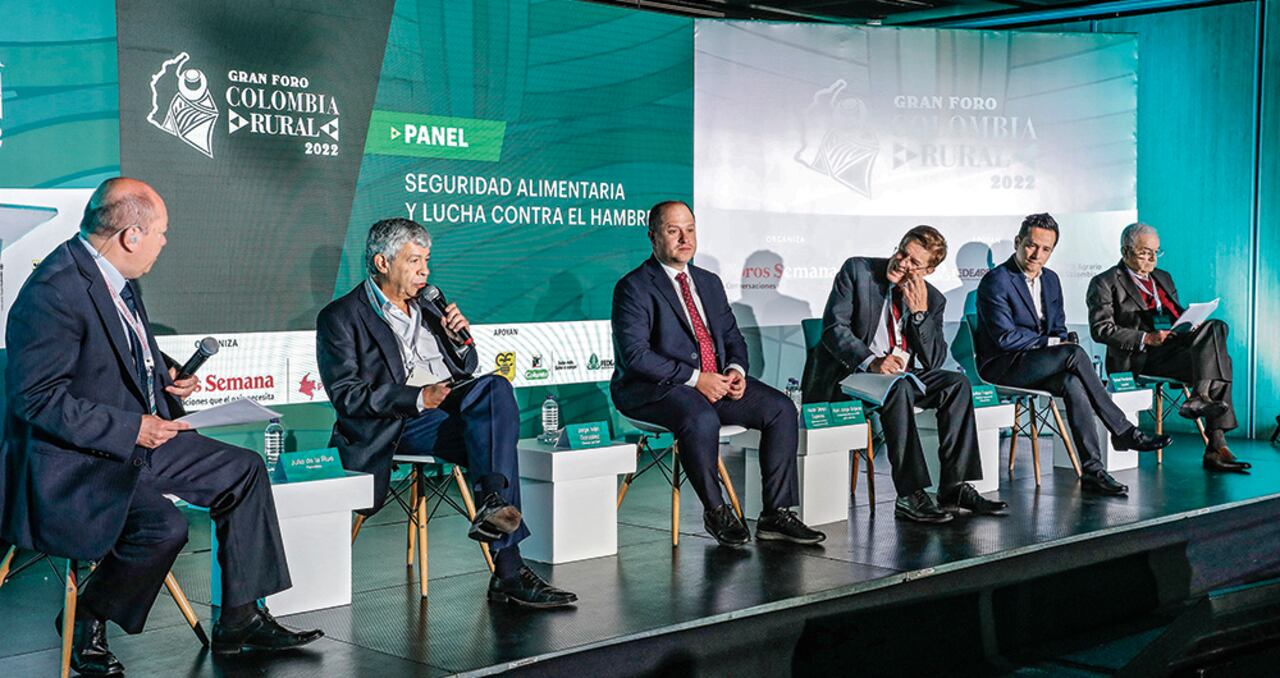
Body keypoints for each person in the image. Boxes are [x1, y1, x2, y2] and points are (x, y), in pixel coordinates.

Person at [0, 178, 322, 676]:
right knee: (163, 527)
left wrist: (163, 369)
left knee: (244, 469)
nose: (165, 243)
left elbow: (120, 346)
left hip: (138, 442)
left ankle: (241, 619)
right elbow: (36, 400)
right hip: (81, 460)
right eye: (161, 233)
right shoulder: (54, 292)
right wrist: (132, 427)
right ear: (131, 234)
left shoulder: (115, 275)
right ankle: (87, 616)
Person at [316, 218, 575, 608]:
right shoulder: (341, 317)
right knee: (492, 436)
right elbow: (348, 396)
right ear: (383, 263)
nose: (425, 271)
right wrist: (419, 398)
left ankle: (493, 504)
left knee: (496, 388)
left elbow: (466, 367)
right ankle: (509, 569)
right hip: (398, 423)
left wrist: (458, 339)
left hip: (450, 404)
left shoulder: (430, 302)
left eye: (427, 260)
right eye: (415, 260)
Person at [610, 200, 824, 547]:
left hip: (714, 381)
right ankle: (716, 510)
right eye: (673, 230)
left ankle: (776, 513)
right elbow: (636, 357)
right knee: (700, 416)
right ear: (652, 237)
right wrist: (697, 379)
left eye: (690, 229)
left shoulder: (708, 283)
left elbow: (731, 337)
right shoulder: (634, 287)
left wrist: (735, 370)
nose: (685, 239)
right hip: (654, 389)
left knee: (780, 409)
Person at [802, 226, 1006, 523]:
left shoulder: (932, 299)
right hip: (851, 374)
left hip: (902, 376)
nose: (901, 263)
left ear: (929, 270)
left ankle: (954, 487)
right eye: (901, 252)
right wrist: (871, 361)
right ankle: (910, 494)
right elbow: (835, 330)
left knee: (957, 384)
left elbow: (934, 360)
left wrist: (920, 313)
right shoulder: (858, 271)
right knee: (895, 388)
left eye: (914, 262)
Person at [974, 213, 1171, 496]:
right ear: (1018, 242)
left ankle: (1093, 470)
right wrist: (1053, 343)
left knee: (1072, 382)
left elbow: (1058, 327)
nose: (1037, 254)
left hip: (1038, 361)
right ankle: (1123, 430)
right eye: (1031, 245)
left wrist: (1058, 340)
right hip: (1003, 365)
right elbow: (1005, 338)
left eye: (1046, 249)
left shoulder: (1051, 280)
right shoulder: (997, 280)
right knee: (1074, 354)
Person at [1086, 222, 1247, 473]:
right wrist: (1146, 338)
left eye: (1156, 252)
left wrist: (1191, 322)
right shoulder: (1105, 282)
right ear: (1125, 251)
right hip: (1142, 356)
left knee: (1216, 327)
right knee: (1222, 361)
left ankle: (1199, 396)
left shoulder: (1163, 278)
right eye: (1144, 252)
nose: (1152, 258)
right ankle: (1216, 445)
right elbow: (1101, 330)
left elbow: (1174, 315)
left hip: (1172, 347)